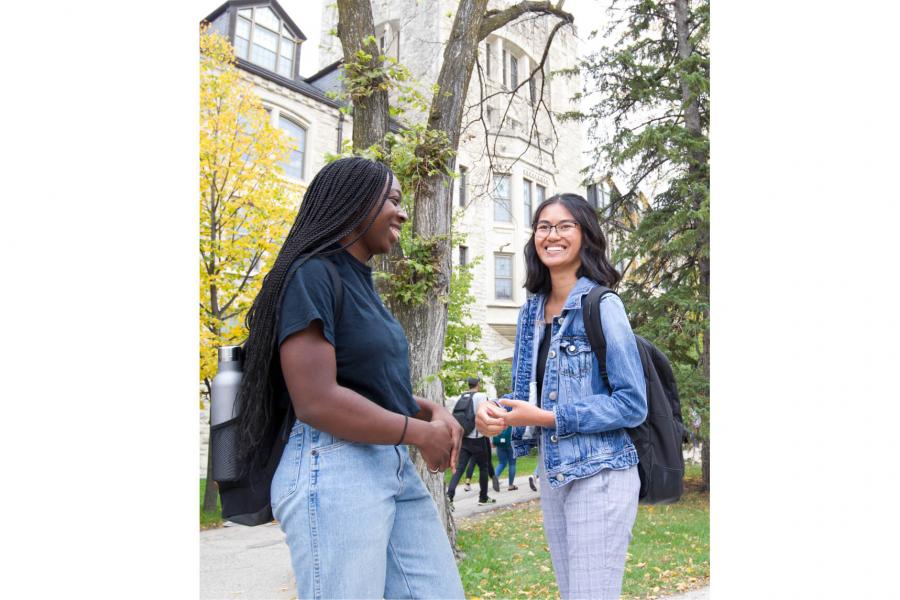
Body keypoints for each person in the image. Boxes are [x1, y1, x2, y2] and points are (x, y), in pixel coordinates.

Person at [236, 157, 465, 599]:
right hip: (333, 465)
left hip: (389, 463)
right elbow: (317, 401)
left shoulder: (359, 282)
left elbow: (366, 385)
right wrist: (420, 433)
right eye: (393, 200)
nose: (402, 212)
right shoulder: (312, 273)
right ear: (356, 202)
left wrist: (431, 409)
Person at [475, 193, 648, 600]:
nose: (552, 235)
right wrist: (493, 411)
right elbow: (530, 394)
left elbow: (631, 404)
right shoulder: (530, 311)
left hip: (601, 472)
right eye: (543, 226)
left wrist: (547, 418)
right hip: (555, 476)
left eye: (564, 225)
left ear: (585, 235)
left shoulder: (603, 304)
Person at [446, 377, 496, 506]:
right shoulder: (481, 396)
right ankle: (483, 498)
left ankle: (449, 495)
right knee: (483, 468)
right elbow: (487, 412)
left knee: (460, 468)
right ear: (478, 384)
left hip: (464, 438)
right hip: (478, 439)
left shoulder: (460, 397)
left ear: (468, 385)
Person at [492, 426, 518, 490]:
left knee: (502, 463)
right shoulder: (513, 420)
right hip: (511, 444)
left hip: (500, 444)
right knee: (512, 464)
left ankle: (496, 476)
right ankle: (510, 485)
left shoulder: (499, 419)